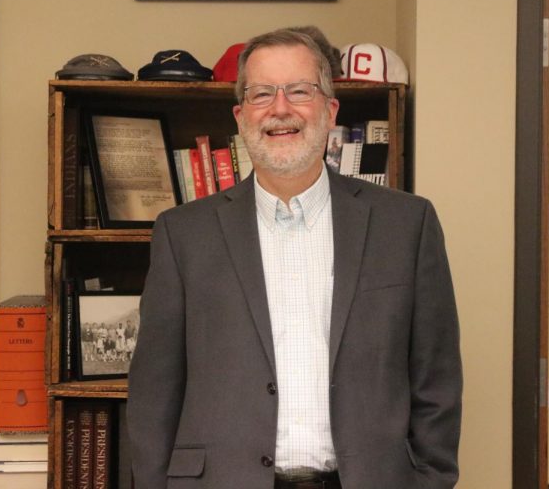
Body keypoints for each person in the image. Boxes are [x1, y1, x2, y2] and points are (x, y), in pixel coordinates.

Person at [128, 28, 462, 488]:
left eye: (299, 91)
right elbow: (153, 394)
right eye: (262, 93)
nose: (280, 108)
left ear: (330, 110)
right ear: (241, 116)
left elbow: (436, 382)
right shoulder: (183, 234)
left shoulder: (406, 226)